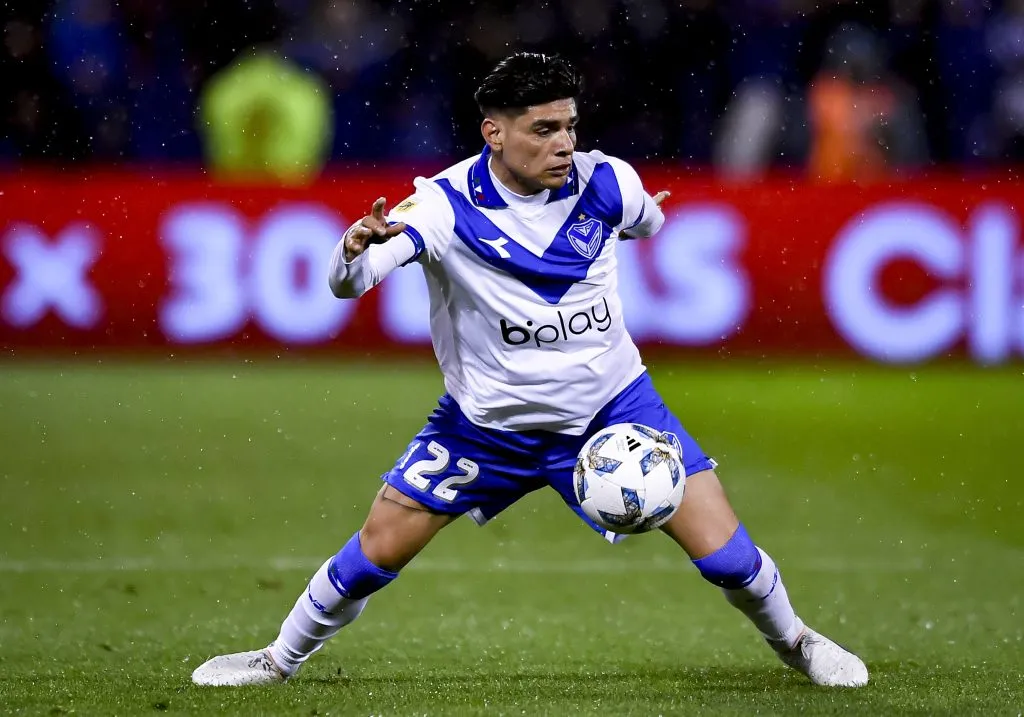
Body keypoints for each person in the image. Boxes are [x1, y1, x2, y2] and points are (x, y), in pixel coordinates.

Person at [191, 52, 868, 689]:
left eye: (569, 126)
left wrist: (647, 215)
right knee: (376, 551)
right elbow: (353, 281)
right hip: (486, 428)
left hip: (614, 411)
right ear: (495, 133)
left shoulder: (608, 181)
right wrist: (351, 250)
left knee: (728, 559)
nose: (564, 143)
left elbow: (648, 220)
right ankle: (278, 659)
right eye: (544, 130)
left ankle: (797, 640)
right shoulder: (443, 205)